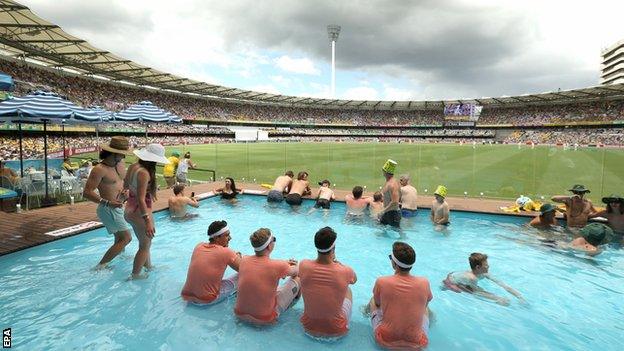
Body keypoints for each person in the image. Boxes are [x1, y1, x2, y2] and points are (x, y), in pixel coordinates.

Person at [368, 242, 432, 350]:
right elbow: (425, 305)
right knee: (426, 308)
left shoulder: (382, 281)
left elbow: (378, 304)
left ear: (394, 264)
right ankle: (432, 320)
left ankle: (365, 312)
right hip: (417, 343)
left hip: (385, 340)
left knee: (373, 301)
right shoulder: (424, 283)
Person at [83, 137, 133, 269]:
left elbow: (121, 184)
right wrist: (107, 203)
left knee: (119, 237)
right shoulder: (99, 169)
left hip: (118, 207)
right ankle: (101, 266)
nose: (124, 156)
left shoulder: (120, 165)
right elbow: (87, 192)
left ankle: (119, 256)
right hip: (107, 209)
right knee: (126, 238)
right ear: (114, 153)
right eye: (122, 153)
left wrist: (126, 192)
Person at [299, 227, 357, 338]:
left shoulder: (303, 265)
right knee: (348, 289)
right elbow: (354, 280)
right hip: (337, 331)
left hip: (308, 328)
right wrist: (338, 263)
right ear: (333, 248)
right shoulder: (345, 270)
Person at [234, 228, 300, 325]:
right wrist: (288, 266)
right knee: (299, 278)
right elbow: (297, 271)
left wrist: (284, 265)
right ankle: (293, 303)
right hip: (264, 320)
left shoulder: (244, 260)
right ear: (269, 246)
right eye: (274, 239)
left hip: (239, 314)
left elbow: (262, 267)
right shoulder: (278, 266)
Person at [124, 143, 170, 279]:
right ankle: (135, 274)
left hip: (129, 211)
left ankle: (148, 266)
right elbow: (141, 198)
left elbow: (126, 186)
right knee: (145, 245)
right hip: (140, 213)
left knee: (144, 243)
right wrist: (148, 221)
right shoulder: (144, 173)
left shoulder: (133, 167)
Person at [181, 220, 242, 304]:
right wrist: (238, 257)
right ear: (217, 238)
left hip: (187, 297)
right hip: (206, 300)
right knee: (243, 275)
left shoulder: (198, 246)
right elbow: (246, 270)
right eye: (227, 235)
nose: (230, 238)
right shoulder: (226, 252)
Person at [443, 253, 525, 305]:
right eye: (486, 265)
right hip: (452, 281)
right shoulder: (472, 278)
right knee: (472, 290)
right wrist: (497, 298)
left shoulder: (484, 273)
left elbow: (502, 284)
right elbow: (476, 293)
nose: (488, 266)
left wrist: (519, 296)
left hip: (459, 278)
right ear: (478, 267)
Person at [379, 160, 401, 227]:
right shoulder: (389, 182)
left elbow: (395, 202)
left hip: (393, 213)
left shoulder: (393, 184)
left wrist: (382, 211)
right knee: (381, 230)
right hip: (387, 212)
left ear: (386, 172)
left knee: (396, 233)